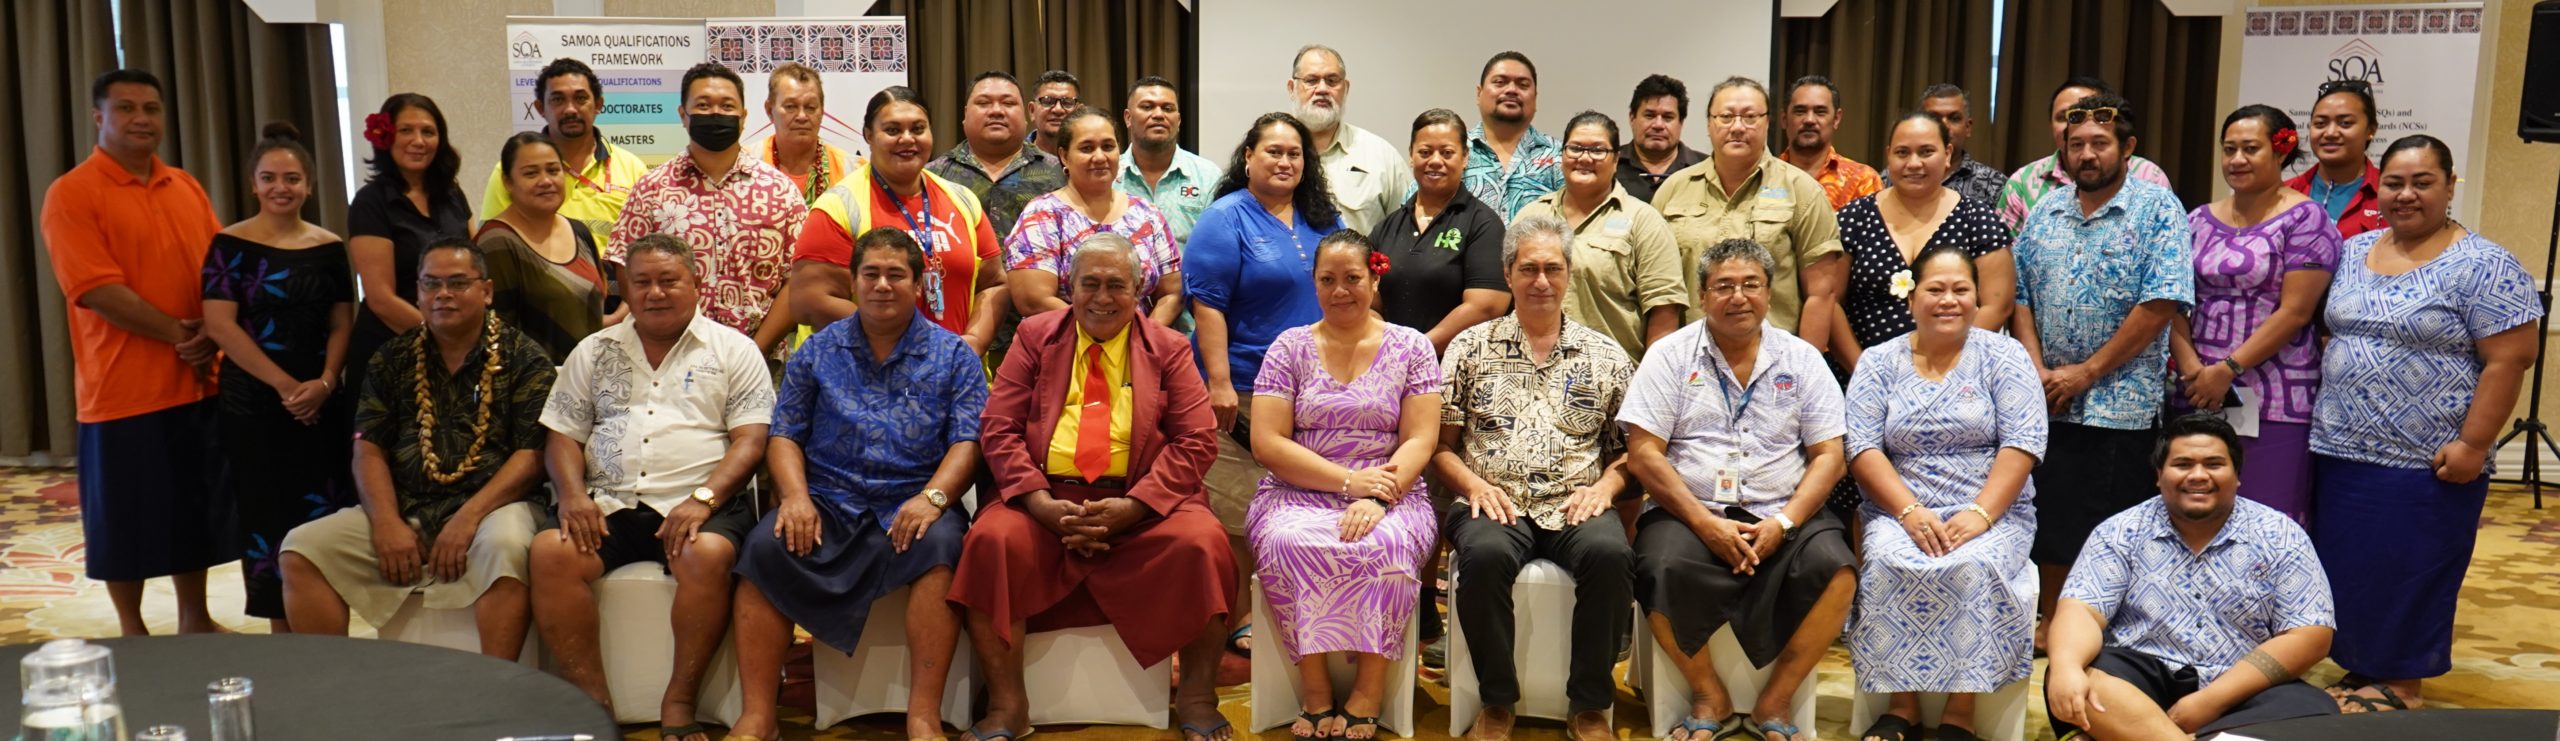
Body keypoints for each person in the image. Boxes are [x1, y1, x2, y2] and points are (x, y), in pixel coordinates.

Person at [954, 241, 1240, 741]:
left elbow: (1196, 442)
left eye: (1116, 286)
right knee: (991, 541)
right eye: (1090, 284)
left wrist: (1135, 506)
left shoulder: (1169, 349)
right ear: (1070, 286)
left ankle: (1196, 697)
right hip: (1045, 498)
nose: (1102, 297)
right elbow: (998, 429)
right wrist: (1039, 502)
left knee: (1204, 544)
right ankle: (1008, 705)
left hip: (1143, 501)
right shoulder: (1034, 335)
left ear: (1139, 292)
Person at [2309, 135, 2540, 715]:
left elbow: (2510, 358)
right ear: (2377, 185)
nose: (2405, 194)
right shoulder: (2355, 249)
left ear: (2449, 185)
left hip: (2426, 457)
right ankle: (2363, 666)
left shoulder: (2484, 262)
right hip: (2339, 447)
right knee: (2353, 564)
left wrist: (2473, 443)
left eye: (2422, 182)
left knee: (2414, 565)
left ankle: (2402, 681)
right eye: (2394, 182)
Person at [730, 228, 985, 741]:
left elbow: (969, 442)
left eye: (896, 275)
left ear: (918, 284)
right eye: (871, 274)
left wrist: (933, 498)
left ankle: (923, 715)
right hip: (829, 500)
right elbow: (784, 435)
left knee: (943, 548)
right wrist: (796, 497)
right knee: (763, 547)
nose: (882, 285)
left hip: (915, 498)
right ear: (852, 281)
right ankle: (758, 715)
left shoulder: (954, 355)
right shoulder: (816, 352)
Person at [527, 234, 771, 740]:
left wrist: (703, 500)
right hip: (608, 500)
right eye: (642, 283)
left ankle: (679, 702)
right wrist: (572, 495)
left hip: (702, 498)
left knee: (704, 555)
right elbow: (562, 436)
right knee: (551, 553)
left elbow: (751, 441)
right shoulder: (593, 351)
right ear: (624, 289)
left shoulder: (734, 350)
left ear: (695, 283)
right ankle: (593, 707)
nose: (655, 293)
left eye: (668, 281)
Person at [1622, 238, 1855, 741]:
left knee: (1838, 570)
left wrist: (1785, 522)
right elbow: (1643, 453)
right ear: (1702, 295)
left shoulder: (1802, 359)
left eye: (1751, 285)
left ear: (1770, 294)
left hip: (1784, 510)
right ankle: (1709, 694)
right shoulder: (1669, 356)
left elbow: (1829, 456)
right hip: (1691, 509)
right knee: (1655, 565)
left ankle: (1776, 699)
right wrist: (1703, 523)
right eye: (1723, 286)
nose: (1738, 296)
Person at [278, 240, 552, 660]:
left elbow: (531, 457)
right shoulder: (392, 358)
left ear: (487, 291)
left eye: (458, 283)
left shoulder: (525, 357)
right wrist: (386, 524)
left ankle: (500, 688)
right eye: (431, 284)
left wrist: (467, 518)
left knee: (506, 546)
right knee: (303, 548)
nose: (443, 293)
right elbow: (367, 449)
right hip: (408, 506)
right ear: (418, 292)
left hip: (495, 508)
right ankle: (332, 689)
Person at [41, 69, 231, 636]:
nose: (141, 119)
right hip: (122, 390)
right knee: (125, 522)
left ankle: (195, 616)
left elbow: (218, 266)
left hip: (199, 379)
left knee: (189, 512)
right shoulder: (71, 193)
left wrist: (214, 334)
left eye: (150, 108)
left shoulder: (185, 186)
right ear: (98, 117)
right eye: (125, 108)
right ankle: (132, 628)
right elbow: (96, 289)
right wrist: (183, 334)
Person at [1433, 216, 1635, 741]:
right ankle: (1497, 701)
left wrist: (1605, 488)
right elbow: (1441, 449)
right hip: (1491, 499)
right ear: (1507, 273)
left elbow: (1631, 455)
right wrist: (1473, 485)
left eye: (1552, 268)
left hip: (1576, 502)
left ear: (1569, 273)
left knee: (1611, 556)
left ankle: (1589, 706)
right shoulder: (1468, 348)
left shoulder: (1607, 356)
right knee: (1485, 557)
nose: (1541, 281)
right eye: (1529, 269)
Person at [2009, 94, 2193, 648]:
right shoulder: (2045, 211)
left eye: (2100, 144)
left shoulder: (2158, 210)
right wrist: (2037, 368)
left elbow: (2161, 301)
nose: (2087, 155)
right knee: (2052, 518)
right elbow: (2020, 297)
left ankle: (2102, 630)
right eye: (2076, 144)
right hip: (2048, 399)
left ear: (2128, 148)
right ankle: (2054, 624)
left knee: (2107, 523)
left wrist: (2086, 372)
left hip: (2121, 402)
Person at [1843, 245, 2043, 741]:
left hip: (1994, 511)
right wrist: (1908, 511)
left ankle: (1960, 712)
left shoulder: (2004, 355)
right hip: (1899, 510)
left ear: (1977, 300)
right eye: (1935, 289)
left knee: (1973, 563)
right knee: (1887, 560)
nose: (1948, 300)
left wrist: (1980, 513)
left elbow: (2024, 440)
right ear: (1912, 299)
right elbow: (1862, 446)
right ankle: (1902, 705)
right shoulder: (1878, 361)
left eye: (1961, 290)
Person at [1248, 232, 1443, 741]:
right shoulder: (1288, 347)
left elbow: (1421, 438)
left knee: (1385, 544)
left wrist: (1378, 494)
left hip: (1391, 486)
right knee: (1291, 541)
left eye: (1352, 278)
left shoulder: (1412, 346)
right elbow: (1267, 442)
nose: (1340, 290)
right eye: (1327, 280)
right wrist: (1349, 482)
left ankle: (1367, 690)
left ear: (1374, 277)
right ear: (1313, 284)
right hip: (1299, 487)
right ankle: (1314, 688)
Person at [2045, 414, 2339, 740]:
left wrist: (2211, 700)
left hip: (2241, 685)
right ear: (2159, 475)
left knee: (2315, 712)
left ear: (2237, 475)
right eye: (2183, 464)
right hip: (2137, 682)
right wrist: (2067, 667)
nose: (2198, 476)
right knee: (2081, 677)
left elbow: (2310, 634)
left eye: (2214, 464)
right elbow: (2082, 610)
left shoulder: (2281, 535)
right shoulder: (2120, 531)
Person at [198, 122, 357, 631]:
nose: (281, 188)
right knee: (265, 516)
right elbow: (220, 323)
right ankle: (280, 629)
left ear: (309, 185)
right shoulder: (229, 244)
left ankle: (326, 620)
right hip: (255, 404)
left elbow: (341, 321)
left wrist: (327, 381)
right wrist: (285, 385)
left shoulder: (330, 245)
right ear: (253, 183)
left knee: (325, 512)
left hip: (321, 401)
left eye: (292, 179)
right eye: (269, 178)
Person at [2166, 105, 2340, 526]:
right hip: (2195, 390)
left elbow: (2296, 312)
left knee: (2265, 518)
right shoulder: (2195, 220)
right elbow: (2172, 300)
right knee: (2194, 513)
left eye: (2250, 148)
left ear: (2280, 153)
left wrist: (2226, 369)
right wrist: (2193, 369)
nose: (2237, 160)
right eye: (2229, 150)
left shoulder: (2306, 218)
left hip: (2274, 399)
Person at [606, 62, 808, 357]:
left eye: (727, 106)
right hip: (669, 358)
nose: (715, 114)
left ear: (743, 117)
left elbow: (799, 278)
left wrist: (754, 351)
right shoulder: (652, 189)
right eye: (703, 105)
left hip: (761, 361)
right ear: (682, 115)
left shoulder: (780, 191)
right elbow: (626, 267)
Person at [790, 86, 1005, 351]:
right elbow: (810, 302)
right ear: (868, 135)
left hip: (954, 378)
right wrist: (907, 347)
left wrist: (970, 344)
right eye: (892, 130)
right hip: (869, 381)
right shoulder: (837, 207)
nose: (907, 139)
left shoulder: (962, 199)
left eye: (918, 129)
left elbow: (994, 284)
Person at [1650, 77, 1845, 352]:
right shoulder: (1673, 190)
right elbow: (1660, 293)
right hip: (1691, 359)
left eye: (1750, 117)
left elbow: (1821, 293)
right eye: (1726, 117)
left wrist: (1801, 370)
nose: (1738, 127)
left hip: (1774, 360)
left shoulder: (1802, 191)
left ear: (1768, 122)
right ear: (1709, 124)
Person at [1832, 111, 2015, 368]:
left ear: (1948, 154)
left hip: (1956, 379)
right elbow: (1830, 301)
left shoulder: (1977, 218)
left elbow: (1997, 306)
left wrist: (1947, 368)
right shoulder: (1853, 217)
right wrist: (1866, 372)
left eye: (1926, 152)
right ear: (1888, 155)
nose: (1914, 163)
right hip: (1863, 378)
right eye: (1902, 152)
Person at [1516, 111, 1689, 360]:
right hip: (1533, 374)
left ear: (1616, 159)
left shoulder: (1643, 221)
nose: (1585, 158)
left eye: (1598, 150)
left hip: (1615, 381)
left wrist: (1650, 384)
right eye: (1575, 148)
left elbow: (1664, 310)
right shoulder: (1530, 216)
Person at [1004, 107, 1185, 327]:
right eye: (1087, 148)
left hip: (1139, 349)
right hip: (1065, 349)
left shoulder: (1147, 213)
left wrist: (1142, 337)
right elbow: (1034, 301)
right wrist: (1106, 333)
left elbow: (1172, 294)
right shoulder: (1042, 214)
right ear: (1064, 156)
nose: (1099, 157)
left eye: (1108, 146)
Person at [349, 92, 472, 396]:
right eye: (406, 130)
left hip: (453, 348)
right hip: (392, 349)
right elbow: (380, 298)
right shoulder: (370, 202)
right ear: (386, 136)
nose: (418, 140)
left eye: (428, 132)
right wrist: (446, 341)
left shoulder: (453, 195)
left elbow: (475, 265)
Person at [1374, 108, 1509, 352]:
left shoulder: (1483, 224)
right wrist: (1386, 350)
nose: (1435, 160)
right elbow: (1368, 302)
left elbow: (1487, 306)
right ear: (1411, 156)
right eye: (1425, 152)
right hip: (1389, 366)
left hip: (1455, 371)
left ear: (1465, 157)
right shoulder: (1387, 227)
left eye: (1447, 152)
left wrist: (1418, 350)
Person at [481, 58, 647, 240]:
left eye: (580, 98)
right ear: (540, 108)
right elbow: (493, 239)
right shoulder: (513, 169)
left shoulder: (633, 169)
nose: (570, 109)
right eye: (558, 100)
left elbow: (648, 245)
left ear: (598, 105)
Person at [478, 131, 608, 362]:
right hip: (532, 388)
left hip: (588, 381)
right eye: (531, 173)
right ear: (508, 182)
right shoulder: (497, 241)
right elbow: (495, 336)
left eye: (553, 170)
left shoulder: (579, 231)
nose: (546, 181)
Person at [1998, 77, 2174, 232]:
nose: (2076, 125)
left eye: (2099, 143)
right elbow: (2008, 262)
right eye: (2063, 117)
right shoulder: (2034, 195)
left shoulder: (2150, 179)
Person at [1288, 45, 1412, 235]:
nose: (1322, 89)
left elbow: (1407, 234)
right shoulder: (1269, 156)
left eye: (1332, 81)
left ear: (1345, 88)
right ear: (1292, 88)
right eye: (1311, 80)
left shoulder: (1381, 156)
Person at [930, 70, 1067, 239]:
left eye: (1008, 103)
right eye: (984, 103)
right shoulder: (934, 177)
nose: (996, 111)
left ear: (1025, 114)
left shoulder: (1061, 174)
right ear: (965, 114)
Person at [1120, 76, 1223, 249]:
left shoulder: (1208, 176)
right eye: (1147, 107)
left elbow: (1218, 245)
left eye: (1167, 108)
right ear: (1128, 118)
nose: (1159, 115)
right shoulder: (1109, 174)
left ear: (1179, 120)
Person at [1467, 51, 1564, 219]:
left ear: (1535, 98)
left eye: (1523, 85)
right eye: (1500, 82)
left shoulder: (1561, 155)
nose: (1511, 90)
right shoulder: (1451, 152)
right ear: (1479, 93)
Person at [2286, 80, 2386, 239]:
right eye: (2320, 124)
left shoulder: (2391, 194)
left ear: (2371, 130)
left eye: (2345, 123)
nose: (2330, 133)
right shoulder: (2284, 193)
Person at [753, 62, 863, 207]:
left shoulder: (854, 170)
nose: (802, 116)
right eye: (790, 107)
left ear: (822, 111)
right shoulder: (745, 164)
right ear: (769, 110)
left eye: (810, 107)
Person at [1777, 75, 1882, 210]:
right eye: (1800, 111)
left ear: (1836, 119)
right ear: (1784, 119)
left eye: (1820, 112)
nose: (1809, 120)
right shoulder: (1765, 177)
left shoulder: (1862, 180)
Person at [1907, 84, 2008, 205]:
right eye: (1934, 118)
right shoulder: (1896, 177)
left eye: (1954, 118)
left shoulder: (1994, 184)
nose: (1944, 126)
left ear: (1968, 127)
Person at [1618, 74, 1707, 204]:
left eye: (1667, 117)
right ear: (1632, 118)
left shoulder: (1706, 168)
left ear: (1681, 123)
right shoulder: (1608, 164)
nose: (1658, 125)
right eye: (1649, 115)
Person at [1029, 69, 1083, 162]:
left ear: (1079, 112)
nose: (1058, 110)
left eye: (1067, 102)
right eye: (1048, 101)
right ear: (1032, 110)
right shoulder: (1010, 160)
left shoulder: (1094, 161)